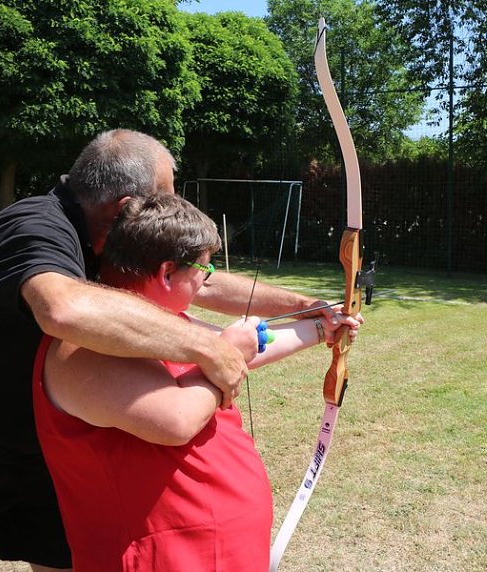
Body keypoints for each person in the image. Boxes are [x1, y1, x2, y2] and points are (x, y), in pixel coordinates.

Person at [0, 129, 346, 572]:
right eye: (162, 199)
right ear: (126, 209)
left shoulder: (105, 241)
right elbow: (64, 308)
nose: (166, 212)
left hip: (37, 457)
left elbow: (199, 278)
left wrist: (305, 307)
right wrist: (211, 347)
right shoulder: (36, 225)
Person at [33, 193, 359, 571]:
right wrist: (227, 352)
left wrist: (322, 327)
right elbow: (176, 421)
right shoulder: (81, 347)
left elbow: (246, 350)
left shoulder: (168, 324)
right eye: (204, 268)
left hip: (219, 552)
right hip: (156, 560)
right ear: (167, 273)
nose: (207, 278)